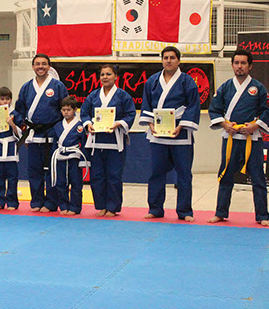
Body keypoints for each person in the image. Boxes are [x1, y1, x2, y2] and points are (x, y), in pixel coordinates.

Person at [208, 49, 269, 227]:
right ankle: (220, 212)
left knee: (258, 177)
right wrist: (224, 124)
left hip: (252, 139)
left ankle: (262, 215)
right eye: (236, 63)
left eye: (243, 63)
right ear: (232, 65)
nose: (239, 66)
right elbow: (215, 109)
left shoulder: (258, 88)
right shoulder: (225, 87)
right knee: (225, 175)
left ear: (250, 66)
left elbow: (266, 111)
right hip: (230, 138)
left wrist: (255, 126)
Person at [140, 46, 200, 222]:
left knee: (184, 174)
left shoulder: (187, 81)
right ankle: (155, 208)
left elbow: (193, 105)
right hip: (158, 134)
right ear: (161, 60)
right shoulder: (152, 81)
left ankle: (185, 211)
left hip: (180, 134)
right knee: (156, 173)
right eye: (165, 57)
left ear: (178, 61)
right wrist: (150, 123)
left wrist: (182, 125)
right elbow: (146, 104)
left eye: (172, 57)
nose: (168, 61)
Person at [15, 53, 68, 213]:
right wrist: (22, 126)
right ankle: (36, 201)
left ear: (49, 67)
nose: (40, 67)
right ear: (33, 66)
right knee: (34, 170)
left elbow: (66, 109)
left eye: (44, 64)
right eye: (37, 64)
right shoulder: (26, 87)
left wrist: (61, 132)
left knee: (52, 170)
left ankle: (51, 202)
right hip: (33, 134)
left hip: (51, 133)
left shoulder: (58, 86)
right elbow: (19, 111)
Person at [80, 64, 136, 217]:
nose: (105, 77)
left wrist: (118, 124)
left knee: (113, 175)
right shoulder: (93, 96)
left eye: (108, 74)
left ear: (116, 77)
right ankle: (101, 206)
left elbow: (130, 114)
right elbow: (84, 113)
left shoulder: (123, 96)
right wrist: (88, 124)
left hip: (115, 142)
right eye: (102, 74)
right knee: (97, 175)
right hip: (96, 141)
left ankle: (112, 207)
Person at [48, 96, 88, 216]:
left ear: (75, 110)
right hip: (60, 157)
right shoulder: (57, 126)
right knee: (61, 183)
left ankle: (75, 207)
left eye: (68, 110)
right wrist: (53, 158)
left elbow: (84, 143)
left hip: (74, 157)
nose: (66, 112)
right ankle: (63, 206)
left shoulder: (80, 126)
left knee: (76, 183)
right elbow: (54, 143)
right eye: (63, 110)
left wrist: (83, 160)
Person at [0, 87, 23, 211]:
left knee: (12, 178)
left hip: (10, 148)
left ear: (11, 100)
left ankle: (12, 203)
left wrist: (12, 124)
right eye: (2, 99)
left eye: (7, 99)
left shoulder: (15, 114)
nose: (5, 101)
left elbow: (20, 133)